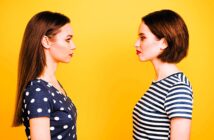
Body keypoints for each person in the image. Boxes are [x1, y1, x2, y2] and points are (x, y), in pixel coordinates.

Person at [13, 11, 77, 140]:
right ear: (46, 41)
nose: (74, 46)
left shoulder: (54, 85)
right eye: (68, 40)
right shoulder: (38, 91)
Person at [133, 9, 193, 140]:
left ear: (164, 43)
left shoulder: (177, 87)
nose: (136, 44)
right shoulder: (161, 82)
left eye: (142, 38)